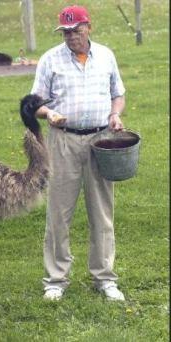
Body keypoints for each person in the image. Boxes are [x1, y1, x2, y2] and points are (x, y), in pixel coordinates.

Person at [30, 5, 126, 301]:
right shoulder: (50, 59)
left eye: (76, 30)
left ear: (89, 27)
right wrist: (49, 114)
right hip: (63, 141)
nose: (71, 36)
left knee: (102, 211)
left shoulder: (106, 56)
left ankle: (105, 278)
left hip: (100, 140)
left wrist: (115, 115)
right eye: (66, 32)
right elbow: (36, 102)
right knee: (59, 211)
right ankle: (56, 280)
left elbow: (118, 94)